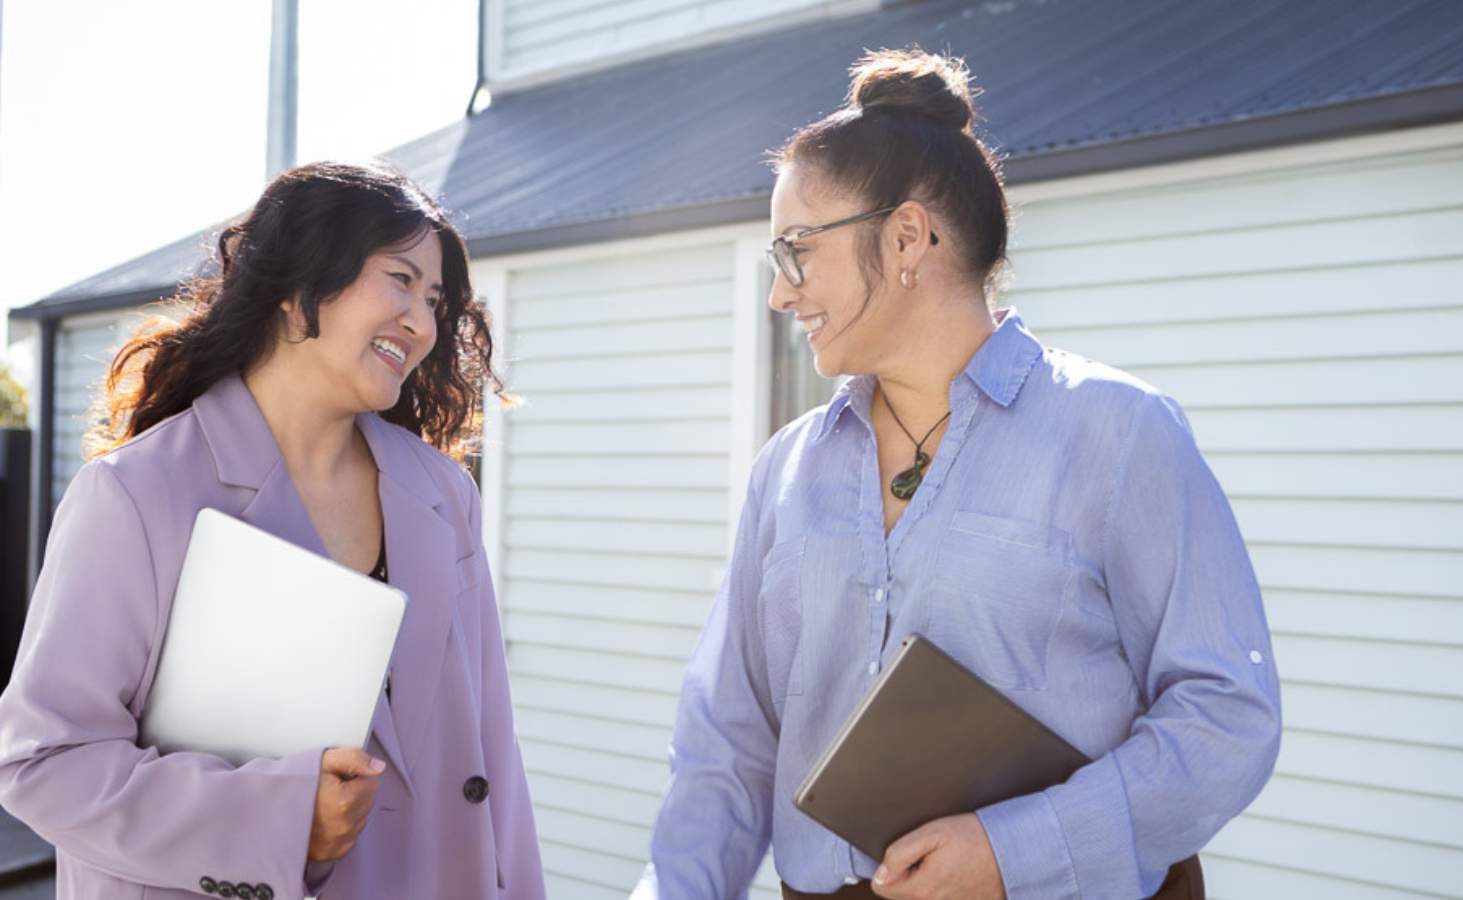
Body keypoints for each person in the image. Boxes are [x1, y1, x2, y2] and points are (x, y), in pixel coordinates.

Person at [637, 50, 1281, 900]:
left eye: (796, 251)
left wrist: (1017, 850)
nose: (779, 294)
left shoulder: (1120, 433)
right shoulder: (784, 472)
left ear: (907, 236)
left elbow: (1227, 717)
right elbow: (726, 750)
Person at [0, 161, 545, 899]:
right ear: (296, 289)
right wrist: (280, 817)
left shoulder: (445, 494)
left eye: (436, 298)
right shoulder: (137, 492)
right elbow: (44, 763)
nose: (423, 321)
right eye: (399, 279)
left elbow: (493, 761)